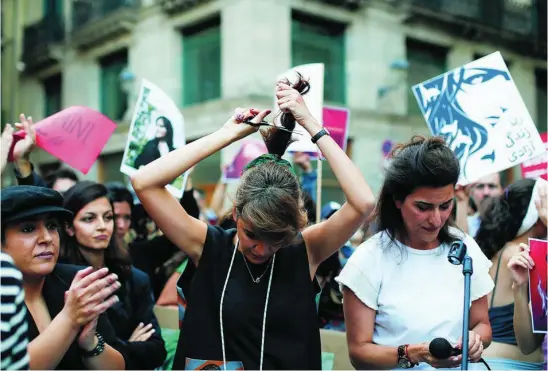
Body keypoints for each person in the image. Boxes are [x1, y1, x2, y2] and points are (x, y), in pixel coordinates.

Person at [131, 75, 375, 370]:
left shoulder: (305, 250)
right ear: (236, 213)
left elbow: (363, 202)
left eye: (277, 240)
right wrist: (226, 135)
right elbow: (144, 182)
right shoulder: (208, 245)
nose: (262, 249)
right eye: (252, 235)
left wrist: (311, 123)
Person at [337, 136, 494, 370]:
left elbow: (482, 324)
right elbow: (359, 353)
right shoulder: (369, 258)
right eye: (423, 207)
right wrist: (414, 353)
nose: (436, 219)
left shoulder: (464, 247)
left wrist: (474, 340)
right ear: (398, 200)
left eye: (445, 205)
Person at [1, 185, 126, 369]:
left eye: (52, 226)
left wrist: (89, 343)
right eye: (28, 229)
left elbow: (118, 367)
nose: (47, 238)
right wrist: (69, 320)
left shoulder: (76, 281)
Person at [59, 181, 167, 369]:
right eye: (89, 219)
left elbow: (157, 350)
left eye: (108, 217)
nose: (102, 226)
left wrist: (116, 349)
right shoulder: (60, 281)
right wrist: (131, 346)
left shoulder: (134, 278)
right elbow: (70, 357)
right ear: (69, 227)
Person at [475, 178, 546, 369]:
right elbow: (531, 342)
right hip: (516, 364)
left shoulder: (495, 248)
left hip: (482, 362)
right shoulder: (527, 256)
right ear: (538, 214)